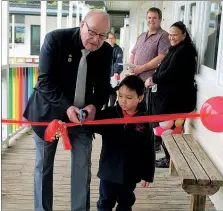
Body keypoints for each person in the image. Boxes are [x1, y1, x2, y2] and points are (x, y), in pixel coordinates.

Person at [23, 10, 113, 211]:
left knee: (82, 167)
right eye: (92, 32)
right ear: (82, 25)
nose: (96, 40)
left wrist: (94, 106)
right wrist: (66, 107)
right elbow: (44, 82)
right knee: (43, 167)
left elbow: (103, 88)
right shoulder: (55, 39)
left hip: (82, 117)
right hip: (48, 113)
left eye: (102, 36)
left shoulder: (106, 51)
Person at [93, 75, 155, 211]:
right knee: (105, 202)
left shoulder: (144, 121)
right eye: (120, 96)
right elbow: (92, 124)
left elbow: (148, 150)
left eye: (128, 98)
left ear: (140, 98)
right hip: (108, 170)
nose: (123, 101)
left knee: (126, 203)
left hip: (130, 172)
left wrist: (147, 175)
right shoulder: (109, 114)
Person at [145, 21, 197, 168]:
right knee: (165, 130)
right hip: (168, 99)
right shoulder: (175, 49)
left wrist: (153, 79)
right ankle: (168, 157)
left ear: (184, 35)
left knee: (171, 131)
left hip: (176, 101)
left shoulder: (185, 51)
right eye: (170, 35)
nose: (172, 38)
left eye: (175, 35)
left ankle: (171, 159)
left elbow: (171, 73)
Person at [128, 7, 170, 114]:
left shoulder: (164, 36)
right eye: (149, 17)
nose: (151, 20)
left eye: (154, 18)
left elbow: (162, 57)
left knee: (146, 113)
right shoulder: (142, 36)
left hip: (149, 85)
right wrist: (131, 68)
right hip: (136, 82)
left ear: (160, 19)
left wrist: (141, 68)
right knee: (134, 112)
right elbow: (133, 53)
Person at [103, 32, 123, 108]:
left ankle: (111, 106)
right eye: (109, 38)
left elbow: (119, 61)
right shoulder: (105, 48)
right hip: (105, 73)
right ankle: (104, 107)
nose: (111, 40)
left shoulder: (118, 50)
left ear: (115, 39)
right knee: (105, 90)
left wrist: (116, 72)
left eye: (112, 38)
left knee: (112, 90)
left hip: (114, 74)